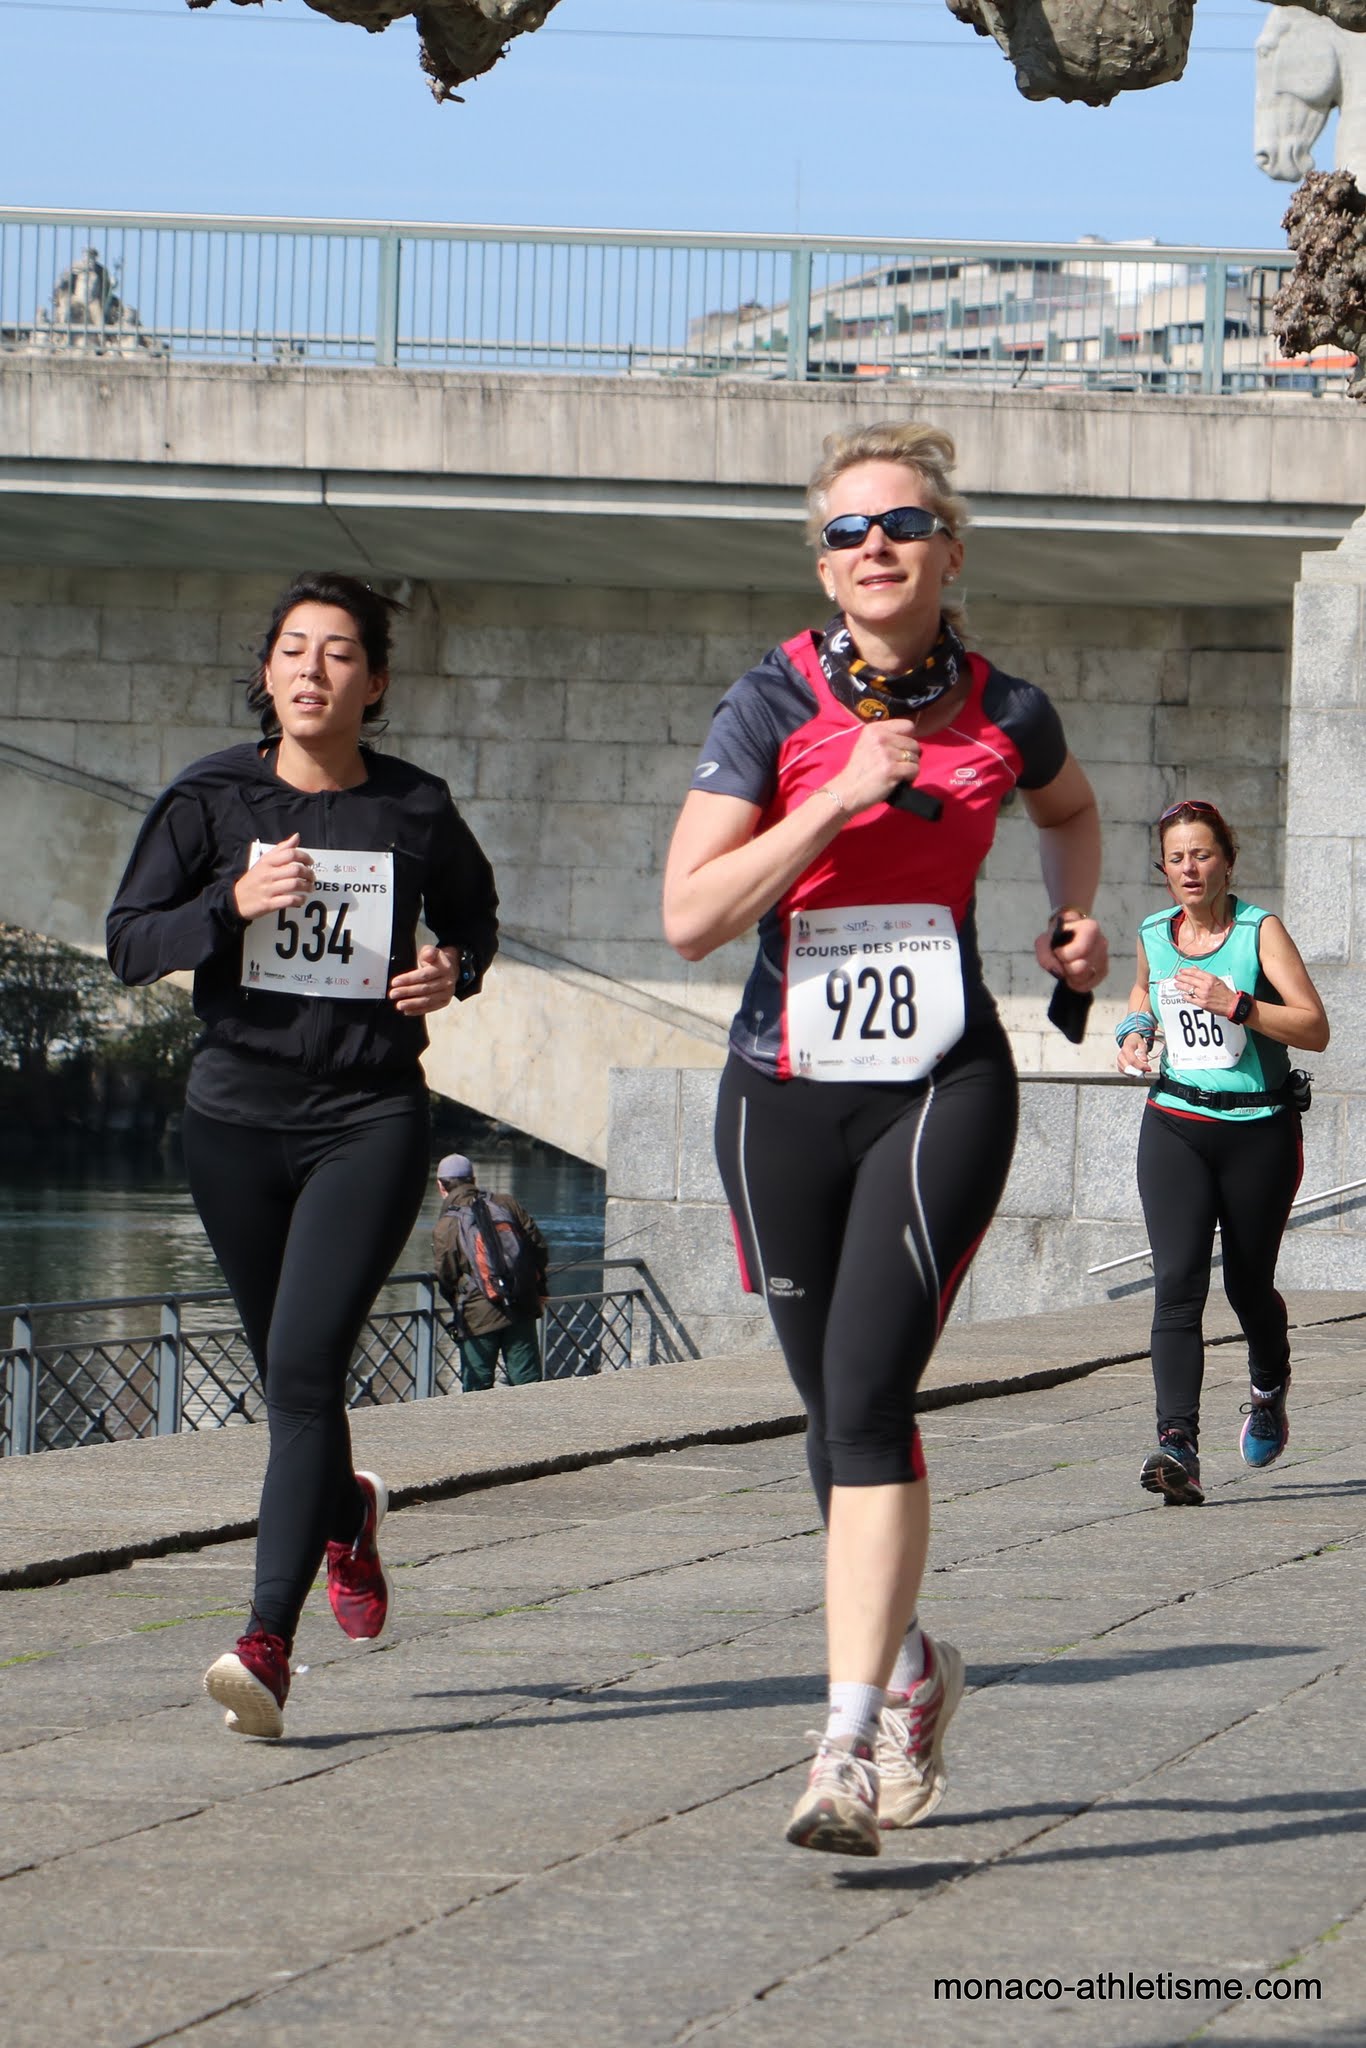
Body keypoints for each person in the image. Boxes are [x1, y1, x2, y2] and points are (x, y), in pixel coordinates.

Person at [662, 421, 1109, 1856]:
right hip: (780, 1091)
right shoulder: (767, 705)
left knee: (866, 1404)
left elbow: (1069, 809)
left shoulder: (1007, 709)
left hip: (940, 1084)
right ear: (822, 564)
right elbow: (689, 916)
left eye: (901, 524)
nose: (873, 547)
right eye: (846, 530)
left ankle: (845, 1746)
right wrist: (836, 798)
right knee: (830, 1414)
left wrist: (1073, 920)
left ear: (947, 550)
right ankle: (914, 1666)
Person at [107, 570, 498, 1739]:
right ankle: (346, 1516)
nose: (313, 668)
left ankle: (264, 1642)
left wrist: (451, 970)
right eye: (293, 648)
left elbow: (475, 918)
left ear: (374, 682)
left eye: (338, 651)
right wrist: (230, 902)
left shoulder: (415, 807)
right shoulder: (209, 798)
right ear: (267, 672)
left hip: (368, 1118)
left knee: (303, 1369)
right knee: (293, 1374)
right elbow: (129, 941)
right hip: (234, 1120)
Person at [1116, 799, 1329, 1508]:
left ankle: (1269, 1384)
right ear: (1164, 868)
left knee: (1246, 1286)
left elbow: (1315, 1026)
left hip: (1258, 1131)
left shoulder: (1259, 931)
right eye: (1176, 858)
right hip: (1174, 1123)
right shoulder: (1155, 933)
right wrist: (1134, 1030)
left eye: (1202, 855)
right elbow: (1143, 990)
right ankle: (1177, 1444)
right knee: (1177, 1284)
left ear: (1228, 862)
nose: (1189, 869)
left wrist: (1238, 1005)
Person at [432, 1152, 549, 1390]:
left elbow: (446, 1275)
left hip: (477, 1313)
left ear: (441, 1186)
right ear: (473, 1179)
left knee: (477, 1388)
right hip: (521, 1303)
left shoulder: (446, 1224)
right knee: (529, 1385)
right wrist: (538, 1288)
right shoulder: (506, 1203)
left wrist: (456, 1302)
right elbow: (538, 1247)